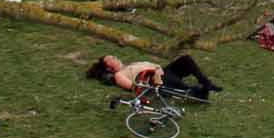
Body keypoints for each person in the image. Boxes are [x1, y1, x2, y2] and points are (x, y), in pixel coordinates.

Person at [87, 53, 222, 101]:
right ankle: (198, 92)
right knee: (173, 82)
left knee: (186, 59)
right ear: (109, 68)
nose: (116, 57)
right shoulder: (119, 75)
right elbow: (133, 87)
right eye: (113, 59)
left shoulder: (130, 65)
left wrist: (157, 69)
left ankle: (206, 83)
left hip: (163, 71)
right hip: (155, 80)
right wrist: (153, 76)